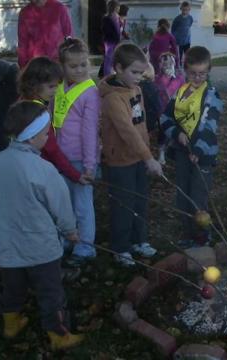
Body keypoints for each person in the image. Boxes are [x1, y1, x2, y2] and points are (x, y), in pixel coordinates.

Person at [0, 101, 84, 350]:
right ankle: (59, 335)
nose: (48, 137)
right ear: (34, 136)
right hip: (40, 247)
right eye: (46, 133)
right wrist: (70, 230)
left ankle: (11, 324)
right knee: (51, 293)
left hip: (5, 245)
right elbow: (61, 206)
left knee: (12, 288)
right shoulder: (42, 169)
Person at [100, 43, 163, 266]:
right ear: (118, 68)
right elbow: (127, 131)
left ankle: (139, 240)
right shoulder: (112, 98)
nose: (139, 77)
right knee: (123, 205)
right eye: (134, 72)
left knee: (140, 201)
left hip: (138, 159)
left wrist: (146, 154)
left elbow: (141, 125)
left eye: (141, 72)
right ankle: (120, 247)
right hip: (120, 161)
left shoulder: (136, 90)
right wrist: (149, 157)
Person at [160, 46, 222, 247]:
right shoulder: (179, 93)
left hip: (202, 155)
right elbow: (165, 118)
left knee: (198, 196)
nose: (197, 78)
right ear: (185, 70)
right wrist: (176, 134)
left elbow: (209, 125)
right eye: (193, 73)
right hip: (181, 152)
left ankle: (202, 236)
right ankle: (187, 233)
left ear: (209, 71)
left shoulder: (211, 95)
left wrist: (198, 150)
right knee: (183, 194)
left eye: (202, 74)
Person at [53, 38, 101, 266]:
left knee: (82, 204)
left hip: (81, 159)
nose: (80, 70)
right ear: (62, 66)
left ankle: (85, 246)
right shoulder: (60, 86)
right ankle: (67, 239)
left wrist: (90, 164)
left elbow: (90, 131)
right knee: (64, 203)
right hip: (60, 157)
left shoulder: (89, 92)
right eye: (73, 66)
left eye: (84, 64)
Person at [18, 56, 89, 185]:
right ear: (35, 85)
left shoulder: (22, 103)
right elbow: (52, 149)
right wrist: (76, 175)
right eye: (51, 87)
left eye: (57, 86)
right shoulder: (38, 113)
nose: (56, 91)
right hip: (40, 172)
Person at [17, 0, 72, 68]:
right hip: (35, 64)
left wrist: (69, 59)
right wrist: (23, 65)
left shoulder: (59, 8)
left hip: (57, 62)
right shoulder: (25, 13)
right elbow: (22, 42)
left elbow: (68, 35)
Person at [154, 52, 185, 164]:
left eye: (170, 62)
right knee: (162, 132)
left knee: (174, 129)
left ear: (174, 63)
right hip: (162, 111)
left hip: (176, 110)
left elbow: (184, 91)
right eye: (164, 63)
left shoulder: (179, 78)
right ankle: (161, 153)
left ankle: (171, 148)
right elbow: (157, 93)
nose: (167, 65)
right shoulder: (157, 79)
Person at [100, 0, 121, 78]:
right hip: (109, 41)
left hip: (116, 40)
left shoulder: (117, 17)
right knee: (108, 58)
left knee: (115, 58)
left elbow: (119, 29)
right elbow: (105, 30)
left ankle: (114, 73)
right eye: (118, 6)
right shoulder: (107, 18)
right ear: (114, 7)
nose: (119, 8)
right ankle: (106, 76)